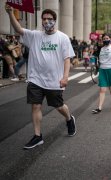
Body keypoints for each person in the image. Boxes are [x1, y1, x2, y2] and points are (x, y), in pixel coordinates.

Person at [5, 6, 76, 149]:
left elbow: (67, 59)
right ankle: (37, 136)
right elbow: (19, 30)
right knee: (36, 106)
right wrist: (10, 13)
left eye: (50, 19)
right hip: (35, 79)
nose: (47, 21)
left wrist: (65, 77)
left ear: (55, 21)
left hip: (54, 81)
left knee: (59, 106)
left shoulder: (62, 38)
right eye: (44, 19)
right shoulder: (35, 36)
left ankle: (69, 119)